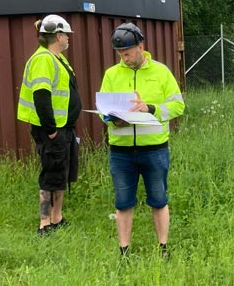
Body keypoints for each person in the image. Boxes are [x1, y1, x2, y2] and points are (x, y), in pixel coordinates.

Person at [100, 23, 184, 258]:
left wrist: (151, 108)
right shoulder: (111, 74)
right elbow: (102, 109)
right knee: (123, 202)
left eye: (127, 53)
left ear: (140, 46)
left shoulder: (161, 72)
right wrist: (112, 120)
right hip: (121, 151)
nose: (124, 58)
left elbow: (178, 105)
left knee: (158, 199)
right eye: (120, 54)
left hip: (154, 149)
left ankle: (163, 248)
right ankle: (124, 251)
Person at [17, 14, 82, 236]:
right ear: (57, 36)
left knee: (61, 173)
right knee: (49, 175)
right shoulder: (43, 59)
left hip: (64, 127)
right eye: (66, 35)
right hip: (52, 130)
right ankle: (44, 222)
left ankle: (58, 217)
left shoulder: (58, 59)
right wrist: (51, 130)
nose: (68, 39)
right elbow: (42, 97)